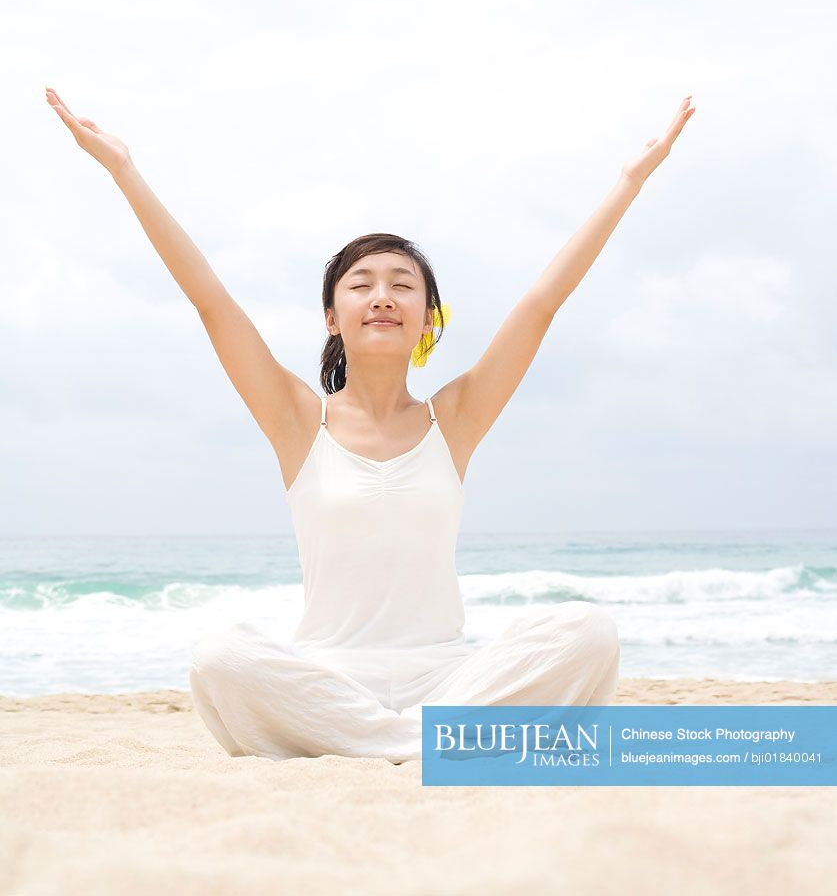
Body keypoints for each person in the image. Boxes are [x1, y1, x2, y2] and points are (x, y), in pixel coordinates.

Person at [45, 86, 696, 762]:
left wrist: (627, 183)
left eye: (402, 284)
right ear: (333, 316)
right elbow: (209, 297)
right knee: (220, 656)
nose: (381, 294)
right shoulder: (297, 419)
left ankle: (396, 741)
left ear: (425, 318)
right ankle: (423, 745)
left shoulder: (456, 418)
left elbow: (541, 303)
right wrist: (124, 171)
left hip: (448, 677)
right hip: (329, 679)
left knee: (587, 631)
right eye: (360, 283)